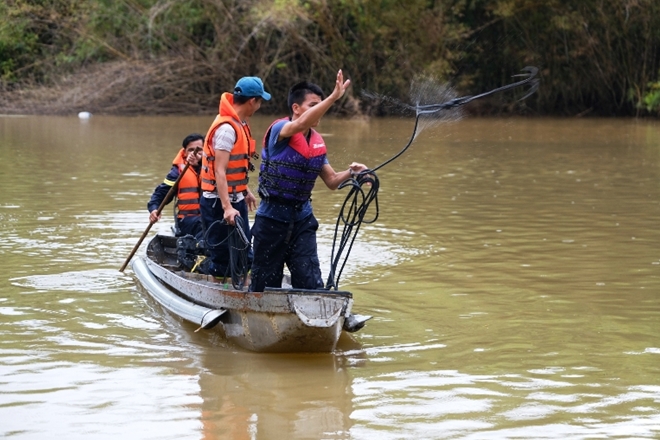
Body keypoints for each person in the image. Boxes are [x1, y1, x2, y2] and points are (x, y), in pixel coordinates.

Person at [249, 69, 369, 293]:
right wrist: (333, 98)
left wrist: (354, 174)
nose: (319, 111)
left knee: (311, 282)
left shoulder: (316, 142)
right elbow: (299, 126)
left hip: (302, 219)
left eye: (320, 105)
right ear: (296, 108)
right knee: (264, 285)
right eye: (312, 106)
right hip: (271, 219)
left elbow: (332, 181)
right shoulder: (280, 130)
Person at [199, 76, 270, 278]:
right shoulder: (227, 129)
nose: (259, 106)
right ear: (252, 101)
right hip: (218, 204)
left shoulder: (240, 124)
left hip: (235, 199)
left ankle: (242, 293)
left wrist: (244, 190)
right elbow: (219, 170)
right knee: (222, 258)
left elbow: (233, 169)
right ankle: (220, 294)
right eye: (260, 101)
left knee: (244, 256)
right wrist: (227, 207)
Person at [147, 133, 204, 238]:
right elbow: (161, 193)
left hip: (212, 218)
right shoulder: (177, 172)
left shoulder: (214, 168)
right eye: (190, 150)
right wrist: (154, 209)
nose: (194, 153)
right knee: (203, 225)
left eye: (198, 150)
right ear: (185, 153)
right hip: (188, 222)